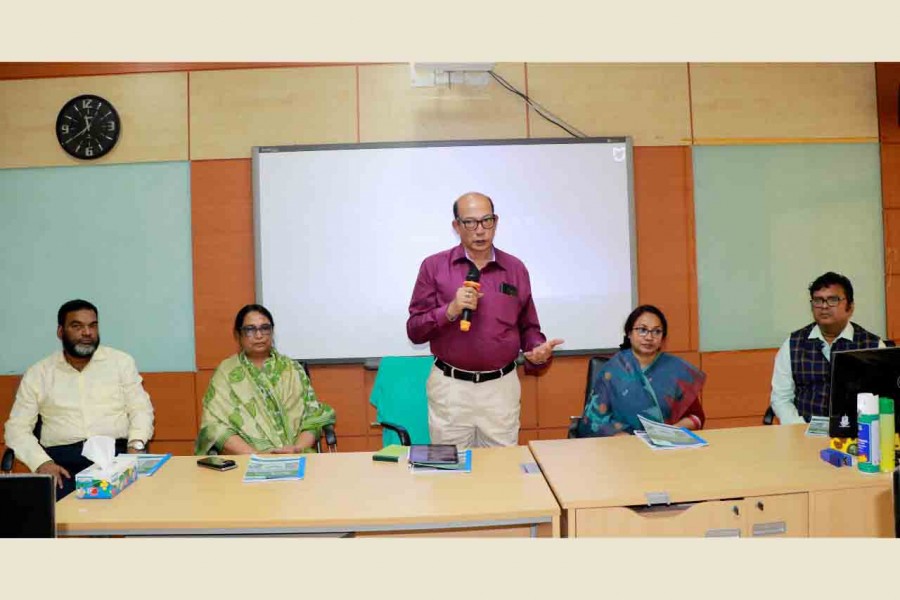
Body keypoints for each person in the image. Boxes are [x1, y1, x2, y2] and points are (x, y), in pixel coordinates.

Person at [406, 191, 563, 448]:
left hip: (500, 389)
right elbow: (415, 330)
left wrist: (536, 348)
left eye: (486, 221)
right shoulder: (433, 267)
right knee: (451, 473)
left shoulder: (515, 268)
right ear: (456, 226)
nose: (480, 230)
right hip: (451, 388)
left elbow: (528, 326)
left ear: (496, 222)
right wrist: (451, 309)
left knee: (501, 474)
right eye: (470, 222)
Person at [3, 299, 155, 498]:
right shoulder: (38, 373)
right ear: (60, 332)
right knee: (50, 515)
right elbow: (16, 429)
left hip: (115, 458)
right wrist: (41, 463)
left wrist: (136, 445)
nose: (87, 333)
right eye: (77, 326)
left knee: (139, 505)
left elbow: (140, 409)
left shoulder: (120, 363)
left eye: (92, 326)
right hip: (62, 465)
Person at [195, 304, 336, 455]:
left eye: (265, 328)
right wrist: (256, 455)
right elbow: (214, 426)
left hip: (296, 456)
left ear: (272, 332)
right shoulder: (226, 373)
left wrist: (297, 448)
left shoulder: (292, 370)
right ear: (238, 335)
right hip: (246, 460)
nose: (259, 335)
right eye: (250, 329)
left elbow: (312, 418)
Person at [770, 271, 883, 424]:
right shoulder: (793, 344)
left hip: (859, 433)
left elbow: (885, 398)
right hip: (804, 431)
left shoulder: (873, 346)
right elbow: (781, 398)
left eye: (832, 300)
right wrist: (798, 428)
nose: (824, 306)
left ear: (850, 307)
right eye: (818, 300)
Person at [576, 305, 706, 437]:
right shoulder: (612, 371)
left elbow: (696, 416)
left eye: (656, 331)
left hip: (666, 446)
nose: (649, 337)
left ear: (663, 337)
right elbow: (593, 421)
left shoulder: (676, 369)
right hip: (620, 448)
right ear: (629, 333)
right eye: (642, 330)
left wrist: (670, 432)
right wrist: (623, 438)